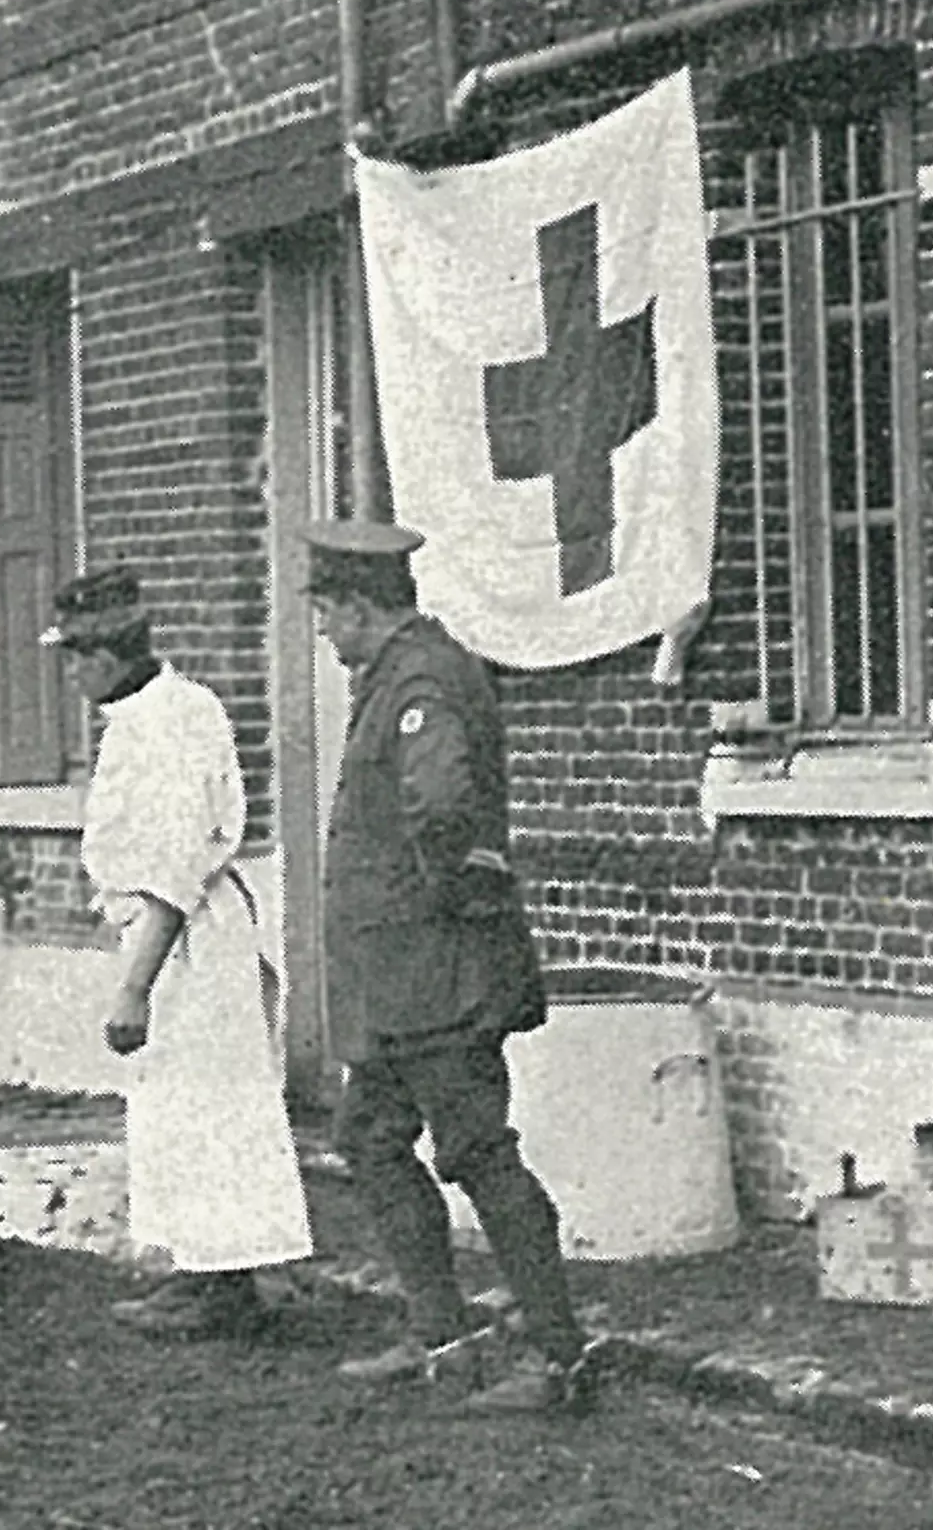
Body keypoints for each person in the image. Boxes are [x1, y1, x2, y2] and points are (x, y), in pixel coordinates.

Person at [303, 518, 599, 1417]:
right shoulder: (394, 674)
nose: (321, 630)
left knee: (476, 1151)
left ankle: (560, 1361)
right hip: (402, 985)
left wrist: (430, 925)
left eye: (325, 612)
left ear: (360, 606)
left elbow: (442, 810)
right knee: (371, 1139)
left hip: (435, 980)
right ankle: (446, 1334)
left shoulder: (423, 679)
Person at [42, 568, 313, 1340]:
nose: (72, 672)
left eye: (76, 656)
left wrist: (134, 987)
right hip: (175, 935)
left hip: (188, 937)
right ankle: (205, 1271)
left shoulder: (170, 723)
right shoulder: (154, 714)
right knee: (179, 1107)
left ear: (103, 655)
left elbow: (170, 871)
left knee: (208, 1104)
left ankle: (224, 1282)